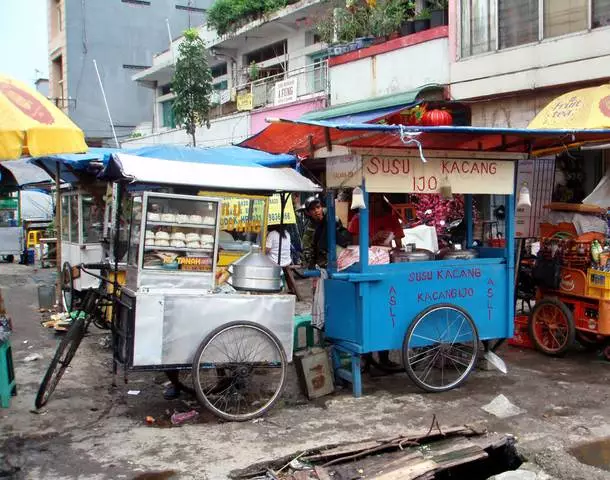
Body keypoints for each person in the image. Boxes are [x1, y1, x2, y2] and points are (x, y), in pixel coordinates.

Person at [348, 194, 403, 370]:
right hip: (367, 272)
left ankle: (384, 358)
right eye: (370, 201)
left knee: (387, 314)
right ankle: (365, 358)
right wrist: (371, 242)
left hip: (388, 273)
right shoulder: (357, 220)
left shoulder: (392, 219)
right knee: (366, 315)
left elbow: (399, 247)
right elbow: (355, 248)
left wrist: (388, 247)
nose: (374, 205)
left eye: (377, 201)